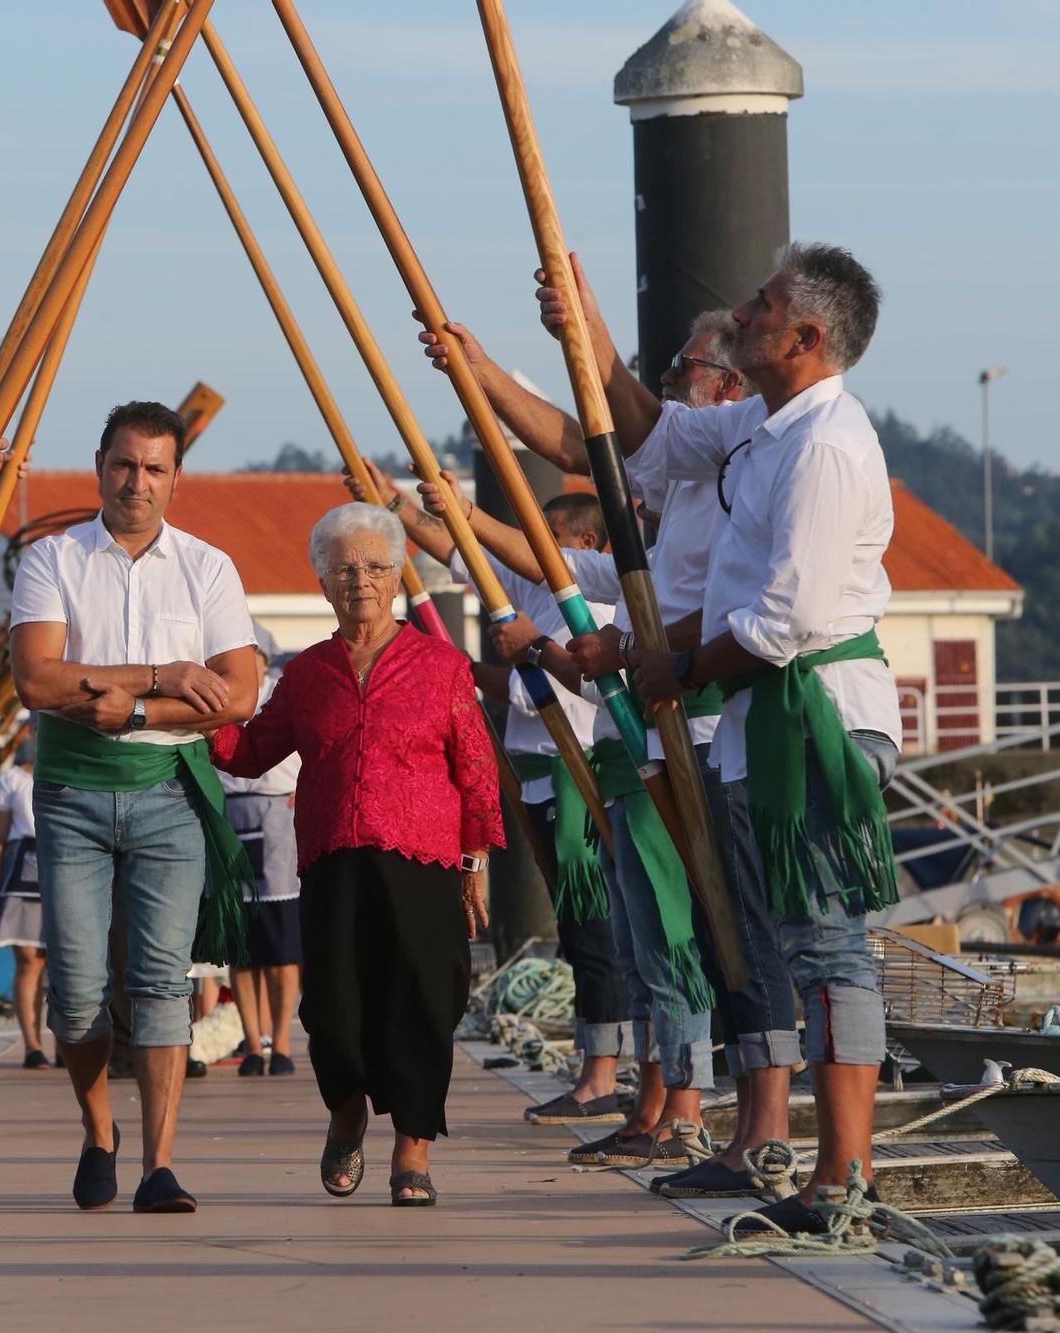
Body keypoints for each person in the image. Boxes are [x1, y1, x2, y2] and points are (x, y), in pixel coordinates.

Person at [550, 242, 902, 1234]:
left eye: (764, 304)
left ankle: (843, 1176)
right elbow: (655, 438)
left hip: (815, 718)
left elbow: (786, 619)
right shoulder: (763, 425)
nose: (743, 312)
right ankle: (825, 1169)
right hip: (765, 722)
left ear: (806, 337)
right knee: (792, 942)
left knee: (827, 945)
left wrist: (675, 664)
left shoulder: (825, 445)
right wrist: (587, 331)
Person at [415, 305, 751, 1172]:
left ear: (728, 386)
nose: (664, 386)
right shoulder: (679, 497)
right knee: (643, 939)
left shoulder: (740, 465)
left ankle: (686, 1108)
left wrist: (515, 357)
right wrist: (460, 505)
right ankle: (656, 1101)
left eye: (679, 371)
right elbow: (568, 552)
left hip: (692, 727)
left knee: (679, 934)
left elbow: (586, 437)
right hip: (637, 742)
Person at [9, 400, 261, 1214]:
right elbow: (38, 678)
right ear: (100, 466)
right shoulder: (51, 559)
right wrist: (163, 674)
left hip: (169, 791)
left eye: (154, 468)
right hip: (72, 793)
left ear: (176, 478)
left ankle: (159, 1165)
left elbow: (241, 692)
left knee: (160, 981)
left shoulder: (208, 567)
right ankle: (97, 1130)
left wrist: (137, 708)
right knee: (78, 989)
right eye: (124, 464)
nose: (137, 482)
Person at [212, 502, 501, 1207]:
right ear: (322, 583)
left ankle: (413, 1145)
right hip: (333, 858)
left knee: (423, 1001)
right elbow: (250, 752)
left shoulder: (442, 665)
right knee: (334, 1008)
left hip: (426, 861)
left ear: (398, 576)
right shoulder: (307, 674)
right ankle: (346, 1113)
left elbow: (477, 767)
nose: (360, 581)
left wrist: (476, 858)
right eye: (344, 569)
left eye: (375, 567)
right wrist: (197, 708)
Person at [347, 463, 629, 1124]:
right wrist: (397, 504)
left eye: (542, 540)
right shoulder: (527, 588)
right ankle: (597, 1065)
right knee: (577, 928)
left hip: (577, 772)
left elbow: (558, 688)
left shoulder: (591, 604)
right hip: (536, 774)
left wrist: (480, 666)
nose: (523, 552)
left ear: (582, 546)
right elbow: (462, 554)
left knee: (594, 927)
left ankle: (604, 1074)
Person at [217, 624, 302, 1079]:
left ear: (263, 657)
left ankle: (282, 1042)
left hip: (278, 810)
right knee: (242, 946)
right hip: (231, 812)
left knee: (283, 944)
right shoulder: (215, 696)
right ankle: (253, 1042)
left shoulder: (281, 694)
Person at [0, 733, 52, 1069]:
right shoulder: (12, 779)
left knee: (65, 963)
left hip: (66, 862)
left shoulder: (73, 769)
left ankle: (68, 1045)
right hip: (23, 867)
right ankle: (33, 1046)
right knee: (29, 959)